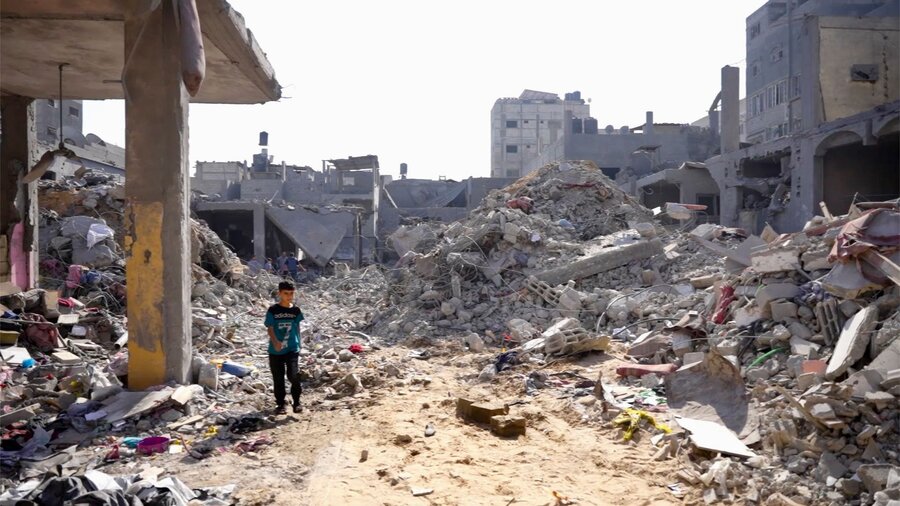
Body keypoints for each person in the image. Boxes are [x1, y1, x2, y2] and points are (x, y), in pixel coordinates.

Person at [265, 280, 304, 414]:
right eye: (286, 293)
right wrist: (275, 342)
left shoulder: (295, 310)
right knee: (278, 377)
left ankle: (297, 402)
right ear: (280, 293)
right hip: (275, 351)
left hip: (292, 348)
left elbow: (297, 326)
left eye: (291, 293)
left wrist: (299, 342)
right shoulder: (273, 310)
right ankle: (281, 404)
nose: (289, 296)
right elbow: (269, 328)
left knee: (294, 375)